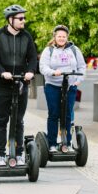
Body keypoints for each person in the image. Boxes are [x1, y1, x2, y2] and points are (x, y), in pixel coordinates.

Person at [0, 4, 37, 166]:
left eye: (24, 18)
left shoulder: (27, 37)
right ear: (10, 20)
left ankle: (18, 154)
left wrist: (30, 71)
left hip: (21, 84)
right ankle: (1, 155)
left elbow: (33, 58)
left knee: (18, 120)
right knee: (2, 120)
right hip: (3, 85)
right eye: (20, 18)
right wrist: (2, 72)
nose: (24, 21)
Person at [39, 25, 86, 153]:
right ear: (55, 37)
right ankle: (52, 144)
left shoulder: (74, 50)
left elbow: (82, 67)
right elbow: (42, 67)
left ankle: (67, 143)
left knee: (68, 114)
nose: (61, 38)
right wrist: (53, 72)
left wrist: (78, 81)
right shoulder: (48, 50)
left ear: (67, 37)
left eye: (64, 36)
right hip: (52, 86)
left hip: (70, 86)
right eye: (59, 36)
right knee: (54, 114)